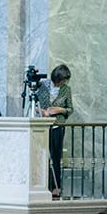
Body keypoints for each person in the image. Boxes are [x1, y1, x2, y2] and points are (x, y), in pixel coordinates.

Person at [39, 61, 72, 197]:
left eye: (64, 81)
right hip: (42, 125)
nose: (61, 84)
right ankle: (42, 186)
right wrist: (42, 111)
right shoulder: (43, 85)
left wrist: (60, 109)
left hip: (57, 126)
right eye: (60, 81)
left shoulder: (66, 90)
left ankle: (56, 187)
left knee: (55, 156)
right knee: (41, 157)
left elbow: (70, 109)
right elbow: (34, 102)